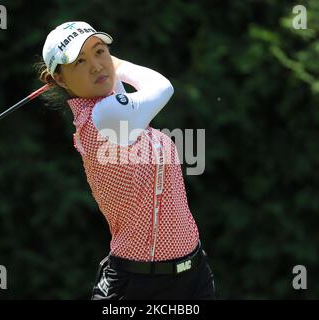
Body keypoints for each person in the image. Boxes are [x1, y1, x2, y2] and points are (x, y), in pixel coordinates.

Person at [38, 21, 215, 300]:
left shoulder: (112, 103)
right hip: (138, 286)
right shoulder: (102, 117)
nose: (96, 65)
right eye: (80, 61)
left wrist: (111, 66)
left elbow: (116, 89)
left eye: (100, 52)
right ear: (60, 79)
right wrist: (118, 64)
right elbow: (163, 87)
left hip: (194, 276)